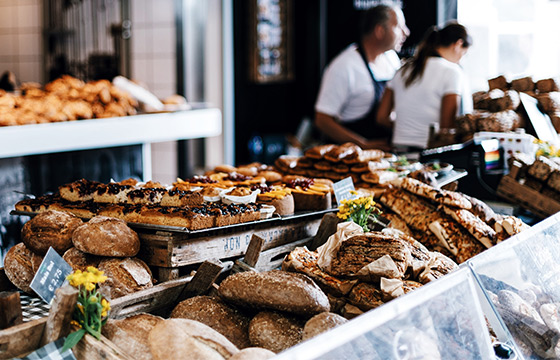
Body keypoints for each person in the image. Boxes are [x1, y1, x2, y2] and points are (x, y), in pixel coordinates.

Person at [314, 4, 409, 150]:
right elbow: (322, 120)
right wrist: (363, 145)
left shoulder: (391, 59)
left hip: (386, 153)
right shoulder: (344, 66)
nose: (406, 32)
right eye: (398, 26)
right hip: (351, 157)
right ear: (379, 31)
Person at [377, 22, 473, 152]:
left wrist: (407, 129)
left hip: (398, 151)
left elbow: (381, 118)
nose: (461, 59)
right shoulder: (452, 72)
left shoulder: (402, 70)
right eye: (464, 53)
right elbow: (447, 128)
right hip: (429, 154)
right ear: (458, 44)